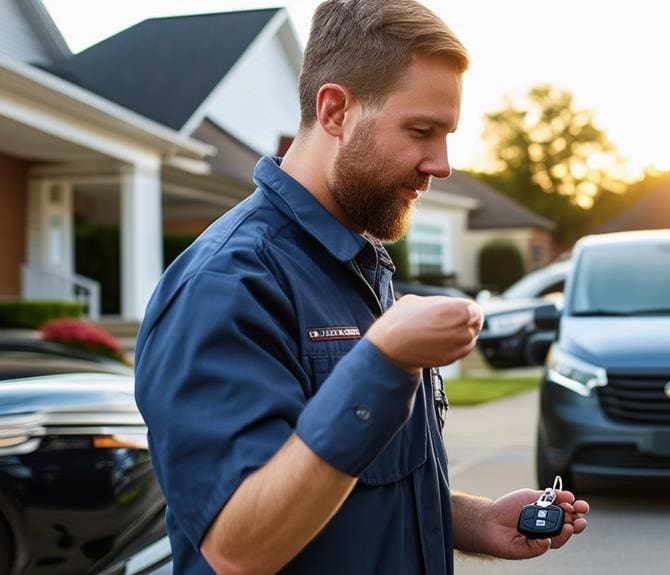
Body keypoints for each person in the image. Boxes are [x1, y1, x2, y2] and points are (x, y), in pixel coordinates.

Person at [133, 0, 589, 573]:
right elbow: (237, 545)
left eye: (446, 134)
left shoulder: (360, 263)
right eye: (421, 130)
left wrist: (475, 520)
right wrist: (381, 362)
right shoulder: (227, 284)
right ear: (334, 110)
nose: (442, 164)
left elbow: (350, 489)